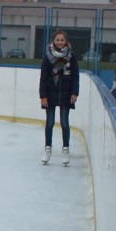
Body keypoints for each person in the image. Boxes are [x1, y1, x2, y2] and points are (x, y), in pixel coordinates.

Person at [38, 29, 79, 165]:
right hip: (50, 93)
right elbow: (43, 77)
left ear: (66, 41)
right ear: (53, 41)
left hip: (66, 94)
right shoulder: (48, 56)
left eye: (62, 40)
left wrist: (74, 93)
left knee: (64, 123)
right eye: (58, 40)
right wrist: (43, 96)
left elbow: (75, 77)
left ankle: (66, 150)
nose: (60, 42)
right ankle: (48, 148)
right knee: (49, 123)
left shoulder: (71, 56)